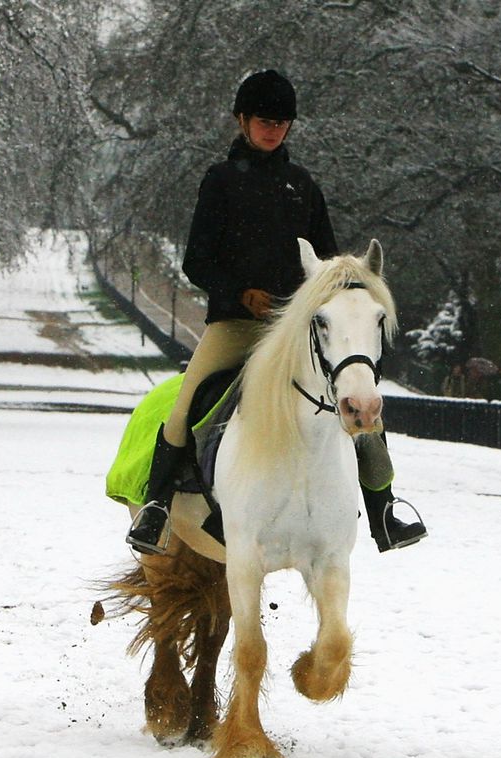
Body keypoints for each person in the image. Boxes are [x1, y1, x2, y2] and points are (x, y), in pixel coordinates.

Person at [126, 69, 427, 556]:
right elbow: (196, 261)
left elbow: (328, 264)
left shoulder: (302, 185)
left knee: (361, 404)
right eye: (265, 121)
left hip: (299, 333)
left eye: (283, 123)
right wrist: (239, 293)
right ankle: (158, 507)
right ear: (242, 121)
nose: (274, 131)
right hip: (236, 325)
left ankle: (383, 511)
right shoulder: (220, 181)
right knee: (186, 406)